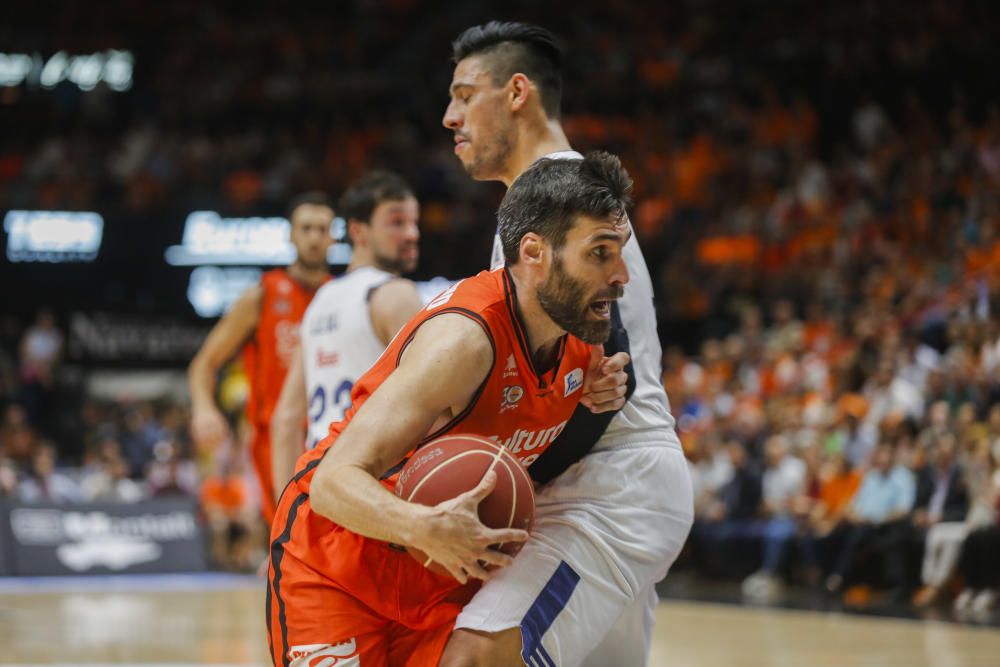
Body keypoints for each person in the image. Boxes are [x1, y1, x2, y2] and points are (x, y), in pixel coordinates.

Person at [266, 153, 633, 667]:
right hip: (341, 556)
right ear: (534, 253)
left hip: (444, 570)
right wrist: (419, 526)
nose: (621, 276)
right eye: (599, 253)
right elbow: (332, 482)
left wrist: (594, 395)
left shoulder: (581, 341)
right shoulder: (462, 341)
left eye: (620, 254)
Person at [440, 21, 693, 666]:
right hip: (605, 481)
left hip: (606, 484)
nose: (450, 116)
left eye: (466, 95)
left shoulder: (561, 202)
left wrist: (507, 478)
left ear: (517, 92)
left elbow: (612, 380)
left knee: (476, 654)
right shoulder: (551, 196)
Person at [270, 171, 423, 495]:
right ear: (358, 231)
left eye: (414, 222)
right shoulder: (395, 294)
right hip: (375, 493)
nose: (412, 233)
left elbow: (285, 419)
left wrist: (286, 507)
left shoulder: (318, 303)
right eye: (397, 223)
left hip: (320, 493)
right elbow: (436, 407)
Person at [188, 193, 334, 524]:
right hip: (274, 436)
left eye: (321, 229)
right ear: (291, 235)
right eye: (306, 228)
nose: (313, 237)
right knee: (289, 534)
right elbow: (204, 362)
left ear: (333, 236)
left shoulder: (341, 294)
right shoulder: (263, 294)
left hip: (332, 435)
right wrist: (203, 407)